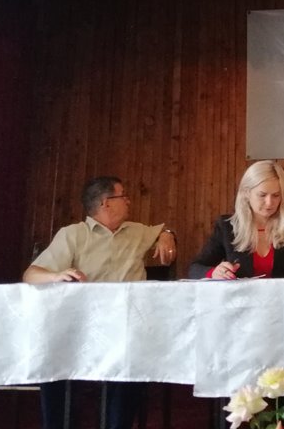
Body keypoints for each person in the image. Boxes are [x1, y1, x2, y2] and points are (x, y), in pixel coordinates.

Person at [23, 176, 176, 429]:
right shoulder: (73, 234)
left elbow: (163, 229)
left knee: (133, 355)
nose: (129, 201)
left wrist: (167, 235)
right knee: (52, 357)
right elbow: (31, 275)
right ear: (106, 203)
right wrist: (57, 275)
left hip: (127, 328)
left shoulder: (136, 231)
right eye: (123, 195)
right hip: (83, 327)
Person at [188, 160, 284, 279]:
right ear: (246, 193)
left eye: (276, 195)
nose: (269, 203)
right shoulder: (227, 226)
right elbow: (195, 269)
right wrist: (214, 272)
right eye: (262, 195)